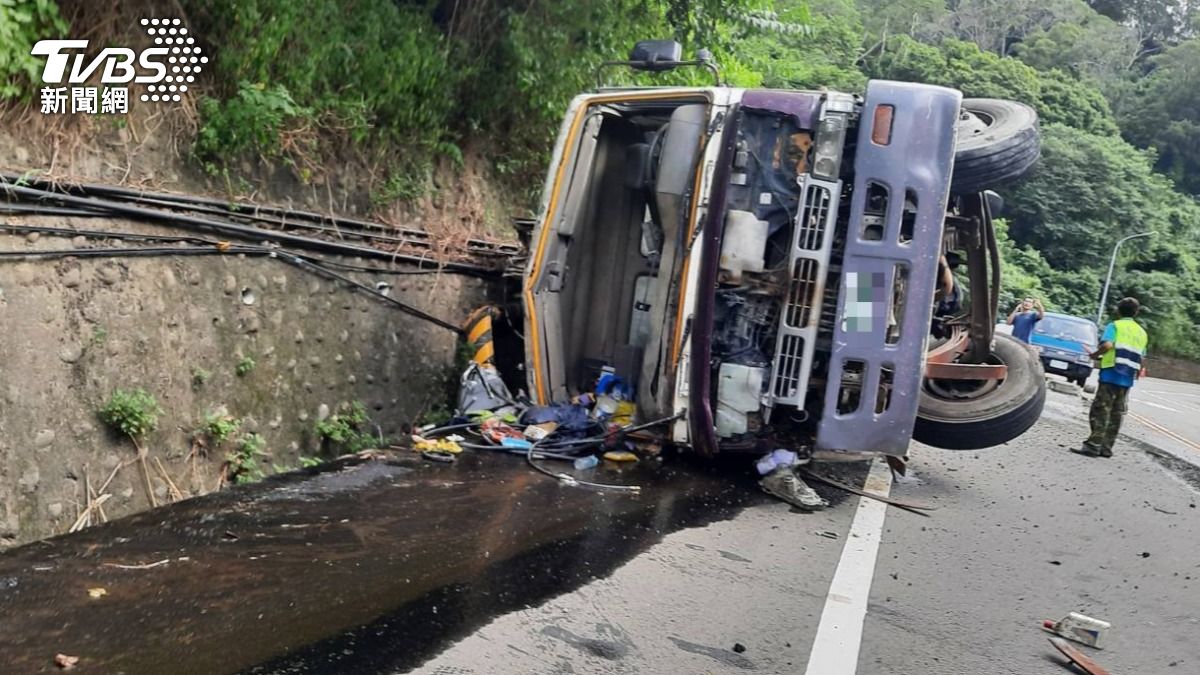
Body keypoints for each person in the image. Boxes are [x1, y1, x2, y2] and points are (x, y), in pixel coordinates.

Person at [1074, 297, 1148, 458]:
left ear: (1118, 310)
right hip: (1127, 375)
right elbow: (1142, 357)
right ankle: (1106, 447)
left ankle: (1093, 445)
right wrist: (1136, 373)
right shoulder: (1142, 332)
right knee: (1117, 411)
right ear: (1136, 312)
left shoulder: (1115, 326)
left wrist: (1094, 355)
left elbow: (1108, 345)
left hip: (1111, 371)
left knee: (1101, 408)